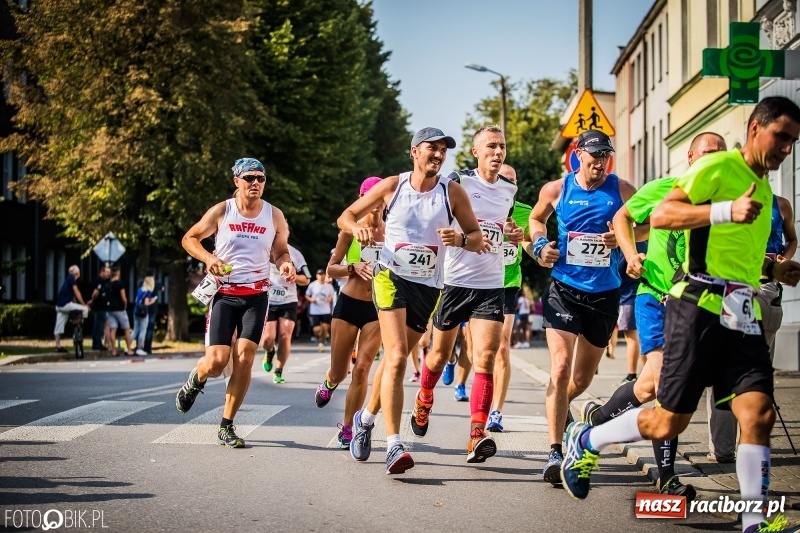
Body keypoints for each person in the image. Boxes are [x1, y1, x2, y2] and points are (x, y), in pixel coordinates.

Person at [561, 97, 800, 533]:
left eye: (793, 141)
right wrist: (725, 210)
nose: (786, 148)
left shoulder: (763, 190)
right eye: (780, 137)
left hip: (741, 312)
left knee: (759, 414)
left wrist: (775, 270)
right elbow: (665, 214)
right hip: (696, 308)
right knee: (667, 418)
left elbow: (739, 260)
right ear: (755, 129)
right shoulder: (717, 168)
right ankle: (589, 437)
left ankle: (755, 520)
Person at [581, 131, 727, 502]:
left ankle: (595, 421)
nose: (714, 159)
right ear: (691, 158)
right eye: (708, 153)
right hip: (655, 297)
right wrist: (632, 256)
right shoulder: (663, 188)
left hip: (693, 306)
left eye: (721, 154)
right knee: (665, 384)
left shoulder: (726, 205)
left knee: (646, 387)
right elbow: (623, 218)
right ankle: (667, 477)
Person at [338, 127, 488, 474]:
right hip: (390, 277)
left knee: (398, 357)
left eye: (443, 150)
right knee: (395, 357)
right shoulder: (393, 186)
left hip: (428, 287)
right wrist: (357, 228)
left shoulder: (452, 192)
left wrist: (460, 239)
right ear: (414, 152)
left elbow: (478, 238)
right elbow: (345, 216)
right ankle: (394, 444)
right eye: (431, 148)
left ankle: (365, 418)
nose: (438, 155)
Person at [529, 129, 639, 485]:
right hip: (564, 290)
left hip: (605, 295)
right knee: (560, 368)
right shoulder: (557, 189)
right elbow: (535, 220)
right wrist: (541, 244)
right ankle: (555, 452)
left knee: (580, 380)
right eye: (594, 157)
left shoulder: (622, 189)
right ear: (578, 155)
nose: (600, 163)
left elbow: (648, 225)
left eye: (606, 156)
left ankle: (559, 407)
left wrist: (622, 237)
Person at [411, 125, 523, 464]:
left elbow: (504, 225)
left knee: (486, 357)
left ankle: (477, 434)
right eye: (491, 146)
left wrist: (511, 232)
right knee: (439, 355)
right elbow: (434, 218)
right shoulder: (457, 183)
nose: (498, 152)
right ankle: (424, 397)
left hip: (491, 284)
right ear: (476, 152)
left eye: (502, 146)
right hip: (455, 282)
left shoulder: (509, 190)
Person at [176, 157, 296, 448]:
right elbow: (190, 238)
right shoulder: (223, 210)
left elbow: (280, 251)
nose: (255, 183)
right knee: (217, 362)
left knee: (245, 357)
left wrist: (285, 263)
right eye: (249, 178)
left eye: (260, 178)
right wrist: (209, 258)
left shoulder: (274, 215)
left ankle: (226, 425)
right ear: (237, 181)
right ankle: (197, 378)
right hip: (224, 295)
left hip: (256, 296)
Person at [707, 192, 798, 463]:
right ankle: (725, 449)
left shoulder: (781, 205)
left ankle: (746, 445)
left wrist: (784, 258)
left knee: (751, 373)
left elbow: (791, 239)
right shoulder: (726, 203)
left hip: (766, 290)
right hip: (732, 288)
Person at [315, 176, 385, 449]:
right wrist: (352, 268)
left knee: (362, 368)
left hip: (377, 308)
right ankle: (330, 382)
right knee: (340, 371)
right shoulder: (350, 230)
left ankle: (348, 427)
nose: (375, 203)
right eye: (370, 197)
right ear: (362, 199)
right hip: (349, 304)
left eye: (380, 197)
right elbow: (331, 268)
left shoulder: (393, 231)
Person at [488, 163, 533, 432]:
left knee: (502, 347)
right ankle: (453, 365)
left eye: (513, 180)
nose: (509, 183)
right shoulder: (480, 206)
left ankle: (496, 411)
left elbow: (530, 242)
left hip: (508, 284)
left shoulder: (525, 212)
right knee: (477, 348)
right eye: (503, 178)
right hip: (479, 282)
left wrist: (539, 251)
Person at [261, 239, 311, 383]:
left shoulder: (295, 254)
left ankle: (278, 370)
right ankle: (270, 351)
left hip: (288, 300)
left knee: (285, 336)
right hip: (269, 300)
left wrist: (294, 277)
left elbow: (307, 278)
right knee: (267, 338)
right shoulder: (263, 248)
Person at [616, 241, 647, 383]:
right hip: (645, 294)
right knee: (643, 337)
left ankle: (631, 374)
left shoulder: (628, 247)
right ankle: (647, 372)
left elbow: (617, 271)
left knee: (632, 338)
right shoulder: (647, 244)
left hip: (628, 297)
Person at [54, 265, 89, 353]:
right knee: (85, 309)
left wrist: (76, 303)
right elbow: (76, 292)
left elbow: (72, 297)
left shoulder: (67, 280)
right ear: (77, 273)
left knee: (59, 326)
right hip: (66, 304)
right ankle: (81, 324)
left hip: (59, 306)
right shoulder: (72, 279)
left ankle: (57, 345)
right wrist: (83, 304)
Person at [107, 265, 134, 357]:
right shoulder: (120, 284)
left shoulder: (108, 284)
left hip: (110, 309)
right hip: (119, 309)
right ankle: (129, 350)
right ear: (118, 273)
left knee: (113, 329)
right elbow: (124, 298)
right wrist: (125, 305)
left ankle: (114, 350)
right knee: (126, 329)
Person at [306, 269, 336, 351]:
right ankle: (321, 336)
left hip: (325, 310)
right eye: (319, 274)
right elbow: (307, 295)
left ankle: (321, 343)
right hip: (315, 311)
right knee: (317, 330)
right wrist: (311, 299)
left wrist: (330, 299)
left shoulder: (329, 286)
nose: (321, 276)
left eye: (322, 274)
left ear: (324, 275)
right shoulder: (312, 285)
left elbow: (332, 297)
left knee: (325, 327)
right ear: (316, 276)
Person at [132, 272, 158, 356]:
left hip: (136, 311)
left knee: (135, 330)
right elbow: (146, 303)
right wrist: (152, 301)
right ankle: (139, 348)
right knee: (143, 330)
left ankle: (128, 346)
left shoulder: (140, 290)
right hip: (143, 312)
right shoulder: (148, 291)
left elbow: (136, 300)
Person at [88, 264, 111, 351]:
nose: (108, 274)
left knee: (101, 325)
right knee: (99, 326)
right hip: (100, 307)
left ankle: (99, 343)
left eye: (109, 272)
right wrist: (92, 299)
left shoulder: (103, 281)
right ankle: (97, 344)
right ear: (102, 272)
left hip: (102, 307)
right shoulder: (100, 281)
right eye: (107, 272)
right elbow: (96, 292)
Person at [143, 268, 162, 354]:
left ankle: (139, 346)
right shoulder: (156, 283)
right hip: (153, 307)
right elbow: (162, 288)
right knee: (150, 327)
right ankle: (147, 347)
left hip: (143, 307)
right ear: (153, 275)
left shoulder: (143, 282)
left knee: (142, 327)